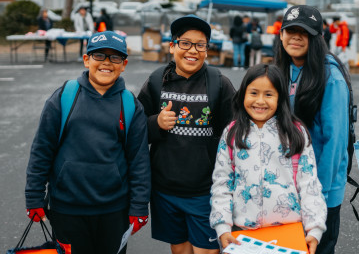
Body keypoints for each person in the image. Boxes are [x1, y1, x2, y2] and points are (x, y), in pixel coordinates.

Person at [25, 31, 151, 254]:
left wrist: (139, 205)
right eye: (99, 56)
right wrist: (34, 196)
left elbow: (139, 160)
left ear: (124, 65)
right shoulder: (64, 97)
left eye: (115, 58)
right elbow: (42, 150)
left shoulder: (130, 104)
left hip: (115, 210)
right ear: (86, 60)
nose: (106, 63)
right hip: (67, 209)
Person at [137, 14, 236, 254]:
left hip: (205, 190)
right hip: (165, 190)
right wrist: (156, 123)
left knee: (207, 251)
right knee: (180, 249)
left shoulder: (219, 83)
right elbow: (135, 131)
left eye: (200, 45)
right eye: (185, 43)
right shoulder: (156, 81)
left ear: (206, 50)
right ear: (172, 46)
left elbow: (234, 134)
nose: (193, 50)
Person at [210, 64, 327, 254]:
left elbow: (309, 185)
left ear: (280, 97)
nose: (260, 101)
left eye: (269, 94)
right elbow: (222, 183)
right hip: (243, 235)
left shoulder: (295, 133)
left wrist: (314, 229)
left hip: (288, 234)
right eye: (253, 93)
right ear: (243, 95)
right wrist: (222, 226)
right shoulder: (232, 133)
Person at [275, 5, 350, 254]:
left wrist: (319, 196)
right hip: (287, 186)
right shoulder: (279, 71)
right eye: (290, 30)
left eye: (304, 32)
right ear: (281, 35)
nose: (295, 37)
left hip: (320, 188)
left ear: (318, 39)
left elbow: (335, 142)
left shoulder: (331, 76)